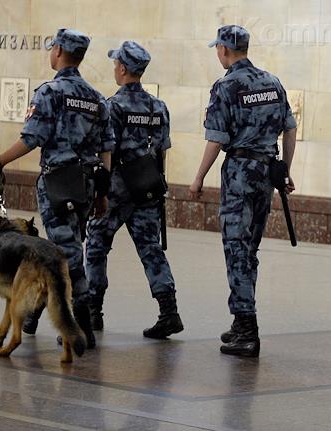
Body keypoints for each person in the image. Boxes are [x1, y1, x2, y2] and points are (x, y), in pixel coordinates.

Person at [0, 28, 114, 349]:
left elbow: (32, 138)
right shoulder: (97, 98)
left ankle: (81, 325)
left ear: (58, 51)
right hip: (86, 185)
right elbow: (106, 149)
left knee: (65, 254)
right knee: (68, 246)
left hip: (58, 184)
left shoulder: (50, 93)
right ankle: (34, 314)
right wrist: (102, 192)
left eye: (52, 47)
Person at [190, 24, 297, 358]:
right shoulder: (272, 82)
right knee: (249, 249)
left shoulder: (225, 87)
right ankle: (240, 320)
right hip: (266, 174)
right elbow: (290, 129)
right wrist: (286, 169)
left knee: (236, 249)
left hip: (239, 174)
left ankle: (247, 330)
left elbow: (216, 139)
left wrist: (198, 178)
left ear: (223, 49)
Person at [84, 41, 183, 340]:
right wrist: (157, 186)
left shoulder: (111, 106)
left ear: (124, 69)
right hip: (147, 189)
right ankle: (169, 312)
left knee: (97, 246)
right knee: (151, 249)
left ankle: (93, 312)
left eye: (116, 64)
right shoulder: (159, 107)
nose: (114, 68)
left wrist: (99, 191)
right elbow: (162, 152)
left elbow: (106, 151)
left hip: (116, 190)